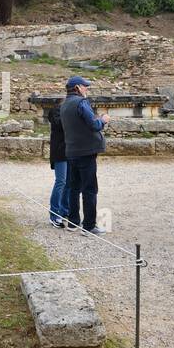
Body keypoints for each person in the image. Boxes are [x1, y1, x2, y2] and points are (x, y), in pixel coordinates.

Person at [60, 75, 110, 234]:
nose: (86, 89)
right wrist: (103, 120)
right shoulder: (81, 102)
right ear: (77, 88)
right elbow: (94, 125)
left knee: (74, 188)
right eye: (84, 86)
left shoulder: (64, 104)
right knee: (89, 189)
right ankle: (89, 226)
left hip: (72, 151)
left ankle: (73, 222)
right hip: (86, 152)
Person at [46, 104, 69, 228]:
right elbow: (60, 124)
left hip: (71, 151)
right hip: (60, 152)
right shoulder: (57, 112)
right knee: (61, 181)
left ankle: (65, 211)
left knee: (69, 182)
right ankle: (54, 215)